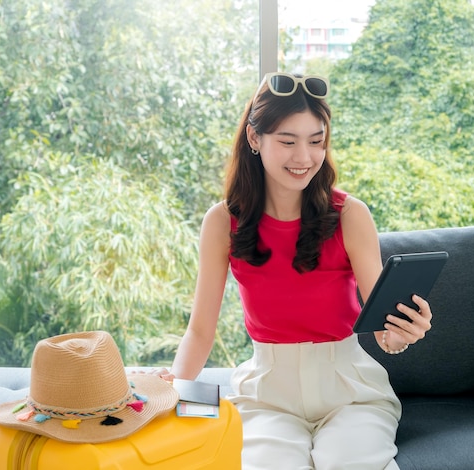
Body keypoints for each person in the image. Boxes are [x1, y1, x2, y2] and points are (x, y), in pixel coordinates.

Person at [149, 72, 433, 470]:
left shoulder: (350, 215)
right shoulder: (221, 222)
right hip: (266, 395)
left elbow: (386, 336)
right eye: (287, 141)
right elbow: (200, 331)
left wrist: (402, 335)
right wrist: (175, 385)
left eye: (316, 141)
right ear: (254, 138)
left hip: (350, 391)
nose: (304, 157)